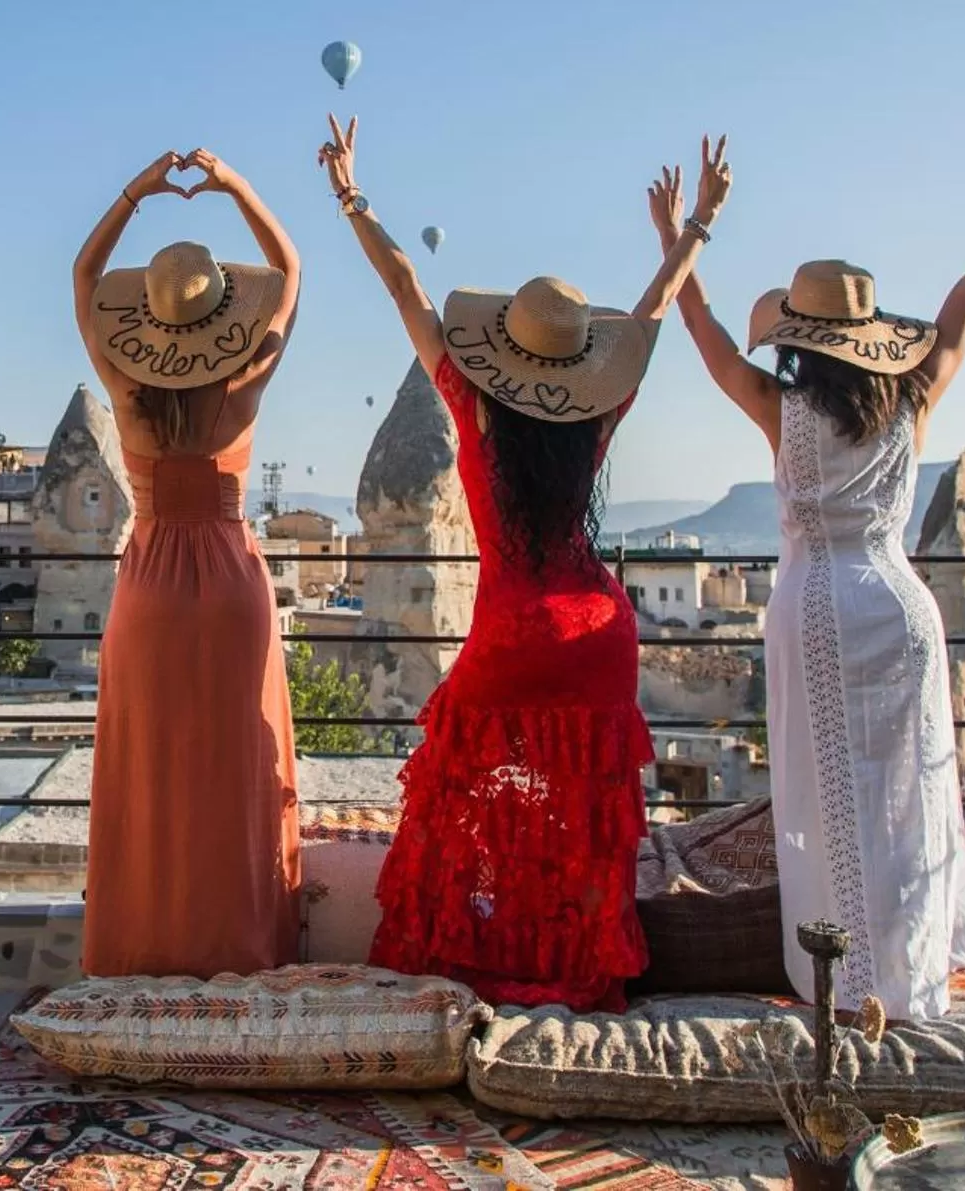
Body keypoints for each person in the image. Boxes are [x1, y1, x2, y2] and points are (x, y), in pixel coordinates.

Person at [657, 126, 965, 1021]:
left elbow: (699, 332)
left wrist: (684, 236)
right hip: (899, 606)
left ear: (800, 338)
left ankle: (842, 981)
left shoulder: (781, 406)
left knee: (823, 799)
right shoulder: (914, 398)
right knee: (911, 794)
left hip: (813, 606)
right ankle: (911, 971)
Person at [324, 116, 729, 1008]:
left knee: (468, 802)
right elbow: (652, 319)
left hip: (512, 631)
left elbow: (405, 287)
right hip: (596, 629)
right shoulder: (594, 419)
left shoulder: (470, 410)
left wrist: (353, 197)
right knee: (578, 813)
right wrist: (692, 228)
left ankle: (483, 963)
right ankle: (569, 969)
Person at [73, 146, 304, 976]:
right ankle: (237, 947)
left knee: (152, 769)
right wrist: (236, 183)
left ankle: (145, 947)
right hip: (233, 588)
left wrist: (137, 189)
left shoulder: (126, 398)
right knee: (234, 767)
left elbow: (82, 276)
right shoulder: (242, 394)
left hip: (150, 591)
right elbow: (289, 268)